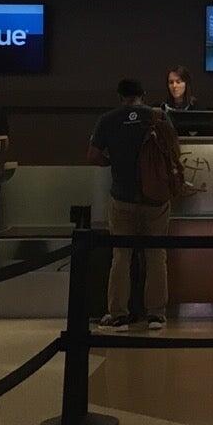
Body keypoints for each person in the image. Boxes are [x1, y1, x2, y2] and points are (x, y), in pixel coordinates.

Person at [87, 79, 181, 331]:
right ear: (143, 94)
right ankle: (156, 314)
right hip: (155, 198)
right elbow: (174, 150)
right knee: (156, 255)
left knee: (121, 255)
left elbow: (93, 156)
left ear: (120, 96)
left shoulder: (108, 119)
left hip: (122, 196)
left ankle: (118, 313)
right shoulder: (158, 116)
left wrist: (113, 162)